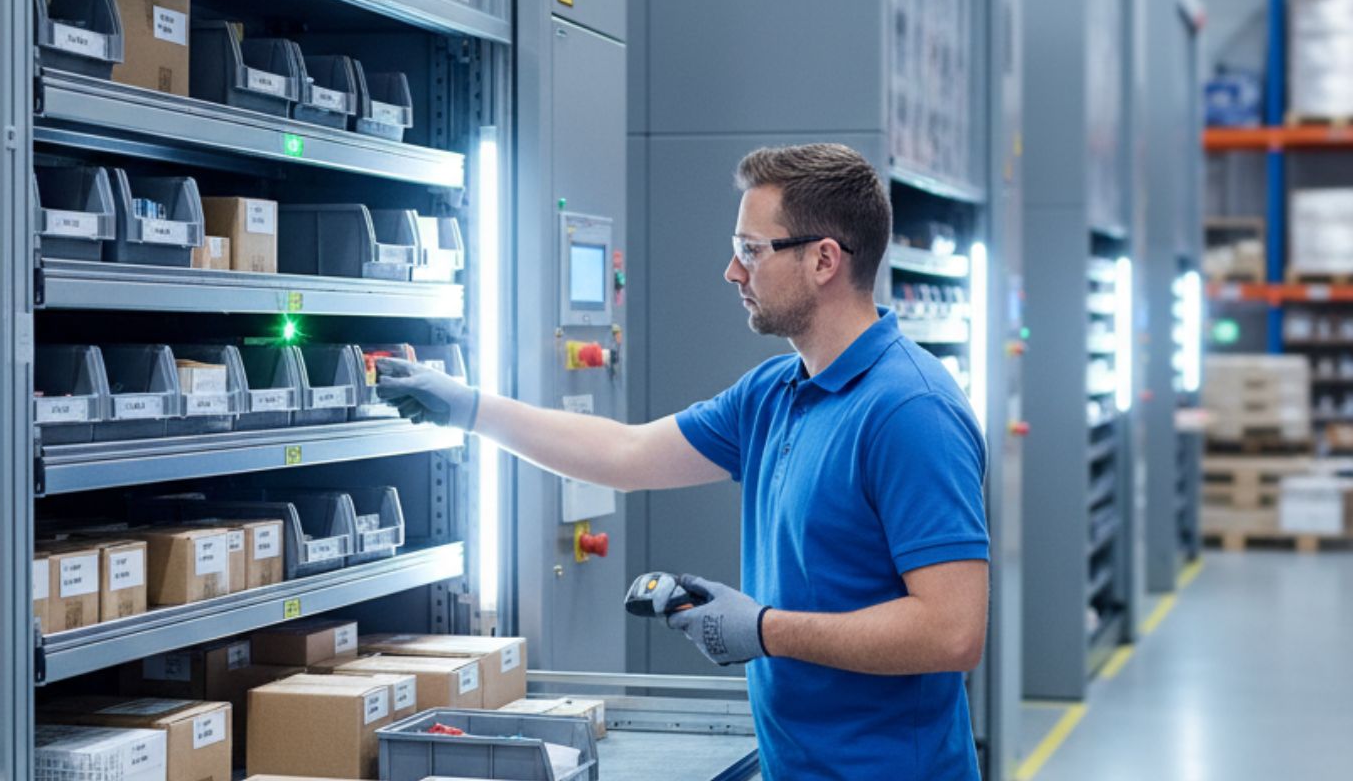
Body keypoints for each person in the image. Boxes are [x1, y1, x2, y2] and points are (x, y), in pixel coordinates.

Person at [375, 143, 988, 780]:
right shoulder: (773, 393)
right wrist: (469, 408)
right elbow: (625, 453)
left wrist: (764, 630)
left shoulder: (911, 411)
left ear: (823, 260)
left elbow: (951, 632)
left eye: (752, 249)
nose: (732, 270)